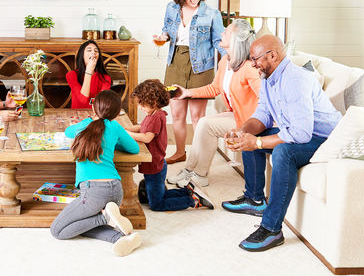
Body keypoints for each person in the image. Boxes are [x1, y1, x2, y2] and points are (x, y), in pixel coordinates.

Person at [221, 35, 340, 252]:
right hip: (301, 130)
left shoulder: (295, 80)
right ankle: (254, 199)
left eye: (255, 59)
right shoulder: (268, 77)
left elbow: (301, 134)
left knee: (283, 153)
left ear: (272, 55)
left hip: (324, 139)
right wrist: (243, 131)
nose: (253, 64)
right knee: (253, 136)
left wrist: (257, 143)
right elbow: (263, 115)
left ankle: (272, 229)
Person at [167, 19, 260, 187]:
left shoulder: (249, 68)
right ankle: (190, 170)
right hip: (238, 115)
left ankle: (200, 175)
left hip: (251, 121)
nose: (222, 33)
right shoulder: (226, 61)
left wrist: (257, 123)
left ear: (235, 40)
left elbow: (266, 98)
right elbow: (215, 88)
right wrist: (187, 93)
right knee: (203, 122)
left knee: (207, 125)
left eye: (227, 32)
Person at [50, 90, 142, 257]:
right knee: (82, 224)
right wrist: (113, 143)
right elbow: (134, 148)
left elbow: (68, 132)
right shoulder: (115, 126)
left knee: (58, 231)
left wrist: (87, 121)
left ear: (93, 108)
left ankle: (105, 218)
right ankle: (120, 238)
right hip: (115, 190)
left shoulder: (84, 125)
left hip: (94, 193)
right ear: (116, 113)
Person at [121, 80, 214, 212]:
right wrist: (129, 128)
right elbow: (143, 127)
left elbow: (147, 137)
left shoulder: (155, 117)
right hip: (154, 165)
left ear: (152, 102)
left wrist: (126, 134)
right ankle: (188, 192)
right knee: (160, 195)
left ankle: (193, 200)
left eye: (141, 104)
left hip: (155, 167)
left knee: (157, 204)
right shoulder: (152, 114)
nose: (140, 107)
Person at [161, 0, 225, 164]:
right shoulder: (171, 9)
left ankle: (199, 157)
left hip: (201, 66)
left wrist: (229, 58)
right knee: (177, 114)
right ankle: (180, 152)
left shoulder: (212, 14)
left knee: (198, 117)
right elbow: (166, 29)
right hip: (175, 63)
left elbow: (219, 41)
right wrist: (164, 36)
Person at [66, 40, 112, 109]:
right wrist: (88, 71)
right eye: (89, 50)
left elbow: (101, 103)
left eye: (96, 51)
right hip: (77, 116)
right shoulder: (72, 75)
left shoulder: (105, 78)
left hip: (97, 115)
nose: (93, 52)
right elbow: (83, 100)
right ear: (82, 55)